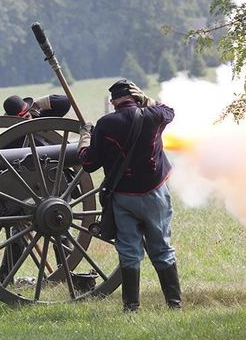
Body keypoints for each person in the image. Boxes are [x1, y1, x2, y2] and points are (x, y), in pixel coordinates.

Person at [77, 79, 181, 312]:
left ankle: (131, 307)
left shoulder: (106, 123)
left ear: (113, 102)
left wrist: (85, 137)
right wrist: (145, 99)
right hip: (155, 193)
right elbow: (169, 111)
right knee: (162, 249)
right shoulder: (153, 115)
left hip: (123, 197)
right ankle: (174, 304)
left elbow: (89, 162)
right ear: (135, 97)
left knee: (129, 252)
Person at [0, 94, 72, 284]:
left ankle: (65, 273)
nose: (26, 120)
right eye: (21, 118)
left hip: (56, 182)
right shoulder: (10, 138)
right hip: (28, 190)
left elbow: (63, 102)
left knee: (60, 228)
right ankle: (5, 277)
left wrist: (37, 105)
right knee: (19, 236)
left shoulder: (40, 119)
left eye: (27, 115)